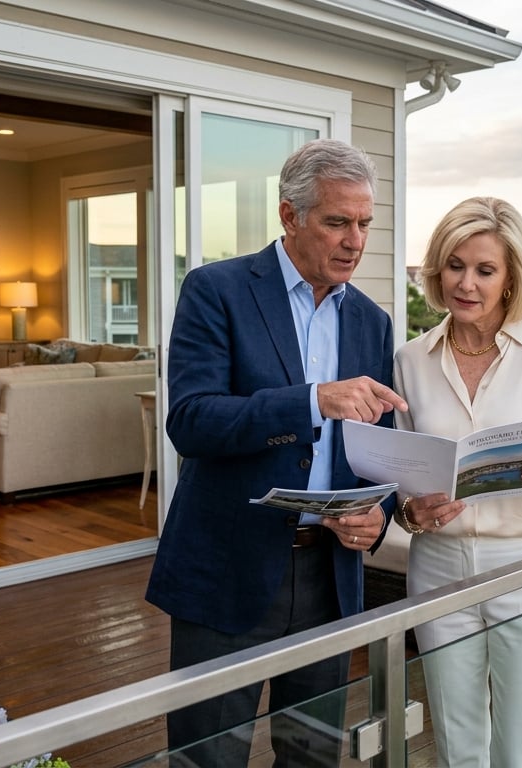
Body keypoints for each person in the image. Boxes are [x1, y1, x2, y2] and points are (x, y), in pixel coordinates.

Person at [144, 138, 407, 767]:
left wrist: (379, 516)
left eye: (365, 223)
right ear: (290, 217)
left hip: (329, 578)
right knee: (207, 760)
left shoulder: (372, 321)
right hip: (226, 570)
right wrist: (312, 400)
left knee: (312, 758)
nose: (355, 241)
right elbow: (191, 420)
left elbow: (378, 451)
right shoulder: (216, 290)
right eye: (337, 222)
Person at [393, 196, 522, 767]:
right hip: (438, 566)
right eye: (455, 265)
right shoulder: (410, 359)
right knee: (456, 743)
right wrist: (414, 512)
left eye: (485, 270)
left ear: (511, 277)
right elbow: (402, 485)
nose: (466, 283)